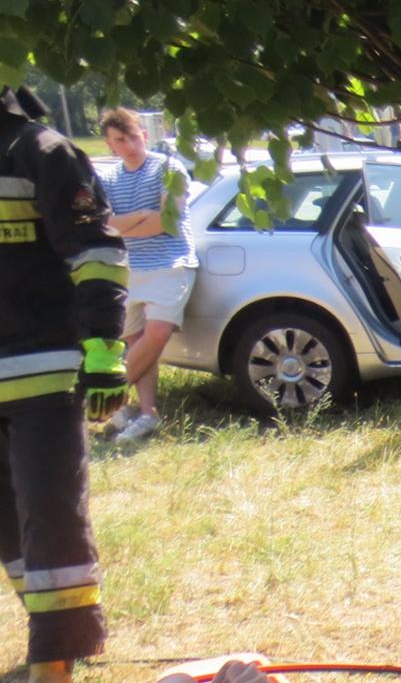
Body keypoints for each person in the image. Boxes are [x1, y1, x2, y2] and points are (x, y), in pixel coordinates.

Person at [0, 84, 129, 683]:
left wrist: (104, 352)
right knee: (9, 529)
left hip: (42, 377)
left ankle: (52, 670)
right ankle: (47, 650)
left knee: (52, 522)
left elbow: (98, 254)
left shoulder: (43, 152)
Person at [96, 109, 196, 442]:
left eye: (133, 136)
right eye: (119, 140)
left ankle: (108, 396)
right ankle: (147, 414)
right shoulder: (108, 178)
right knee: (137, 343)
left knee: (156, 335)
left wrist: (127, 223)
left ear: (145, 134)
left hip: (170, 262)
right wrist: (141, 215)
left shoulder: (169, 168)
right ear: (110, 145)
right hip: (128, 268)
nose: (128, 145)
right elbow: (102, 224)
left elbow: (167, 222)